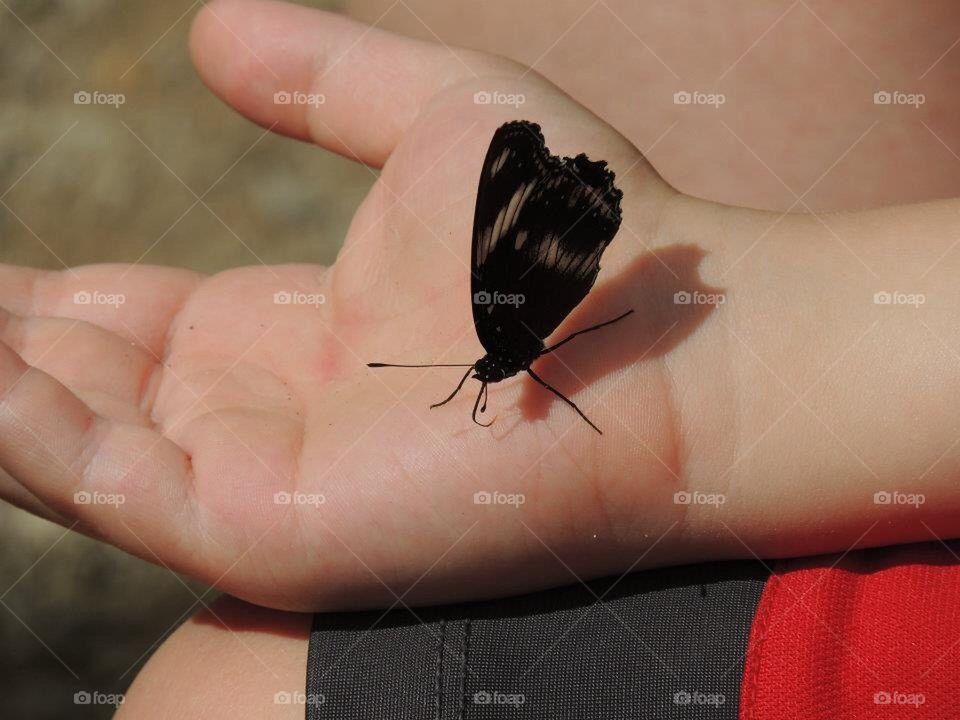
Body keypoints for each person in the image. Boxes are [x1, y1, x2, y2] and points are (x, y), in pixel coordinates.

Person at [1, 0, 958, 716]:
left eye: (485, 381)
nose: (488, 382)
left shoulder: (507, 339)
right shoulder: (505, 345)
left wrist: (700, 398)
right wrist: (724, 375)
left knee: (225, 693)